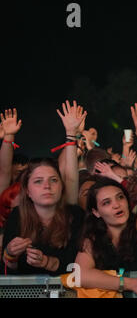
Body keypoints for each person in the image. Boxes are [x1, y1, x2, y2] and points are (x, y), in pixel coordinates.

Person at [75, 103, 137, 298]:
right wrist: (129, 284)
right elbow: (80, 274)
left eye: (120, 197)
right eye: (106, 202)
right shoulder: (92, 239)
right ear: (95, 211)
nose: (116, 204)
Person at [1, 102, 86, 275]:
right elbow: (10, 269)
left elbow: (78, 266)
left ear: (62, 187)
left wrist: (71, 135)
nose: (47, 186)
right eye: (38, 181)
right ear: (28, 191)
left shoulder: (75, 215)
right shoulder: (17, 216)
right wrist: (10, 254)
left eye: (54, 180)